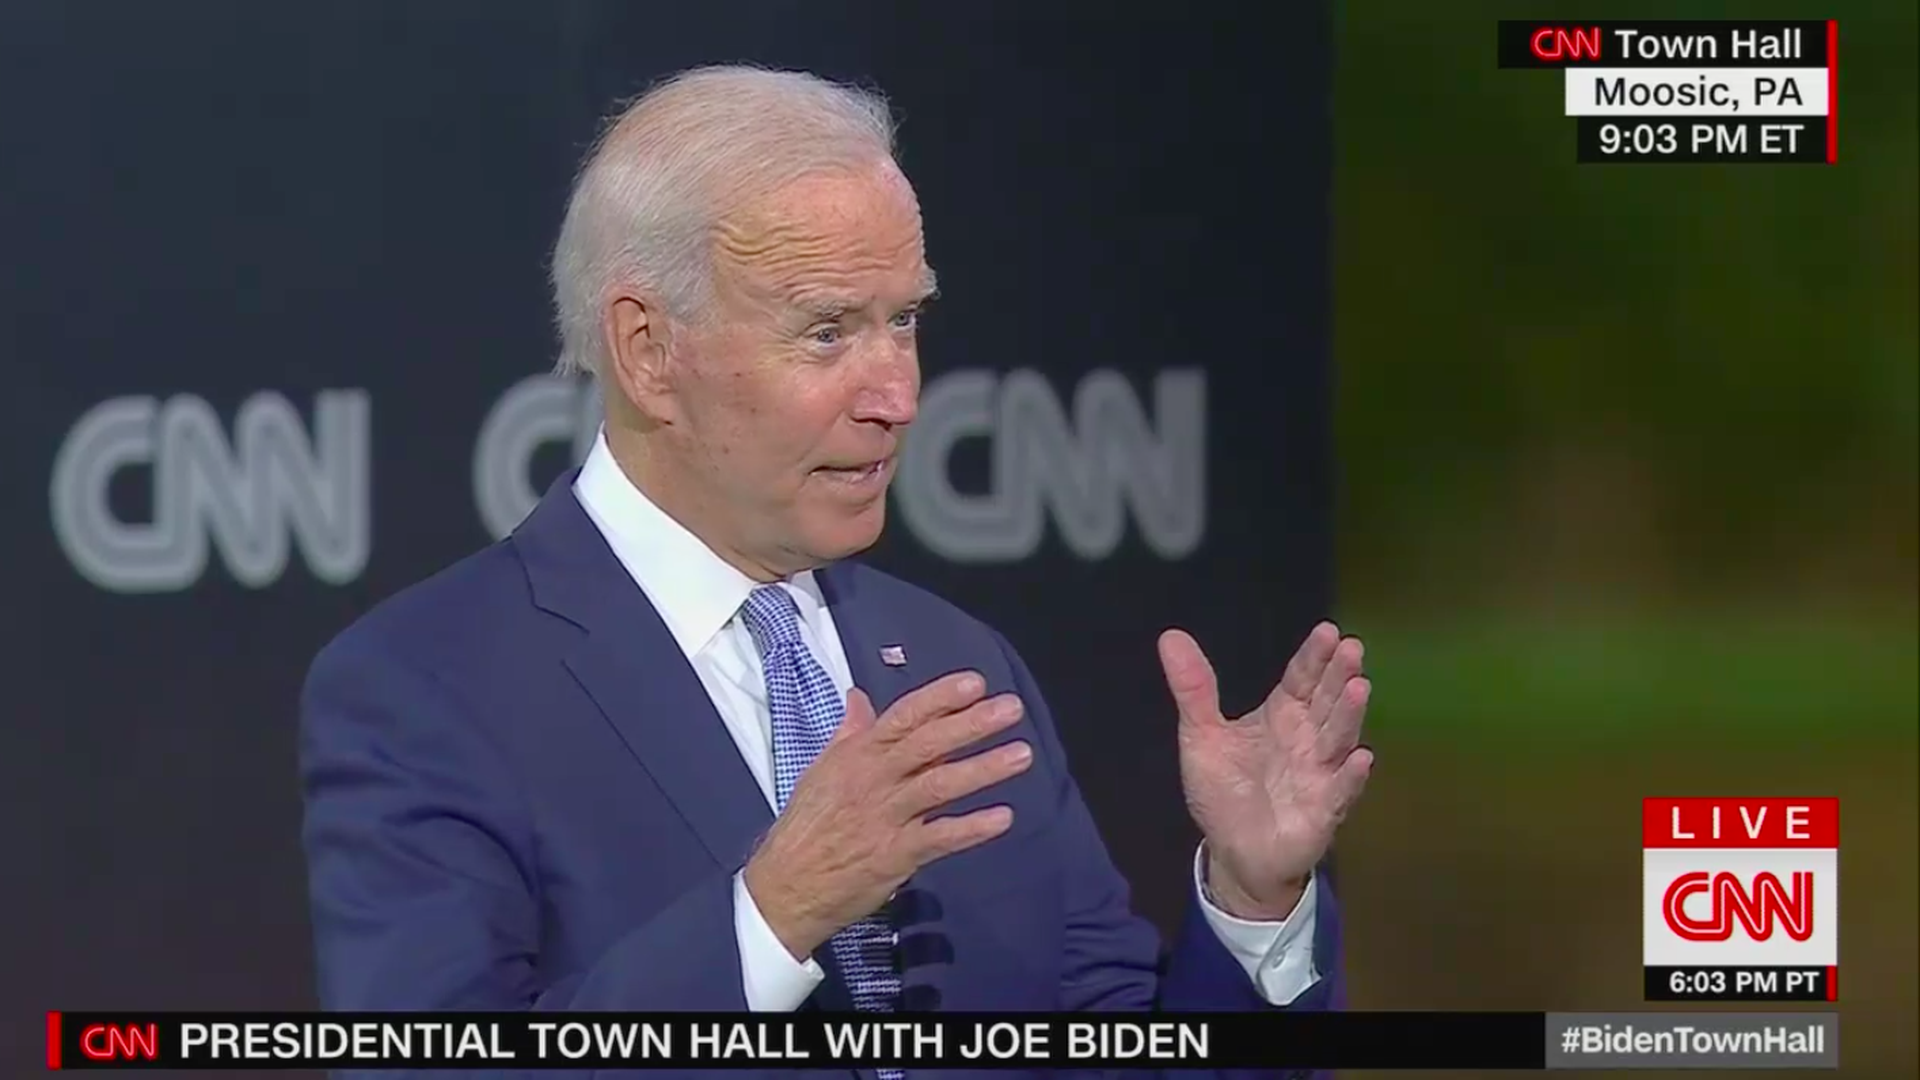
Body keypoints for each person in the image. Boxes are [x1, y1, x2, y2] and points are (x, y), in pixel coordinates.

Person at [299, 64, 1373, 1079]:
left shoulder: (956, 667)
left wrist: (1251, 898)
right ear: (646, 352)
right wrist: (770, 917)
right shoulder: (424, 690)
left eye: (902, 320)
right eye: (827, 331)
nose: (896, 395)